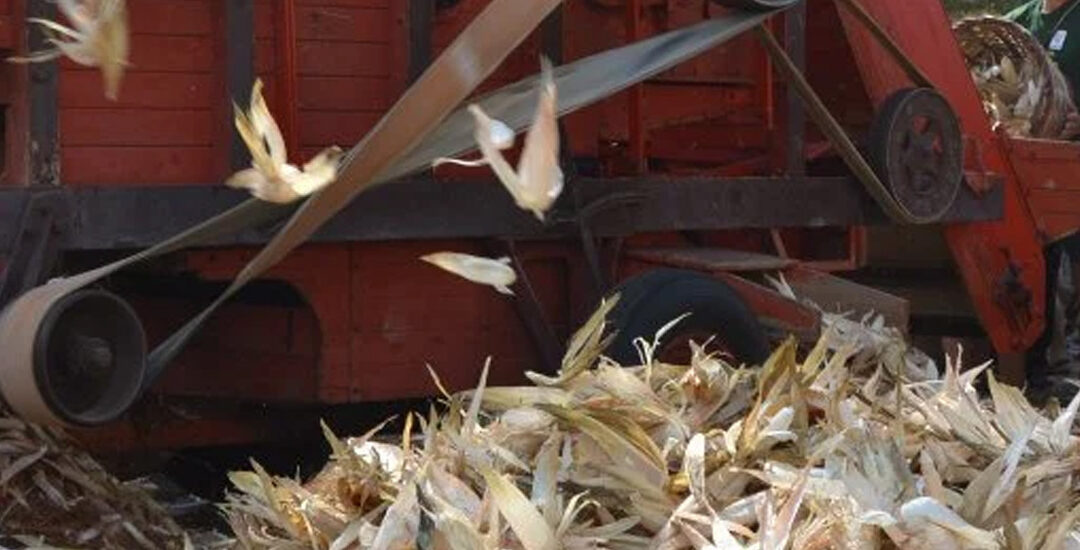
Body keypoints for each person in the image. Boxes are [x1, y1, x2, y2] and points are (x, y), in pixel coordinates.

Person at [1004, 0, 1080, 401]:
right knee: (1041, 262)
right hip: (1025, 164)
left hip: (1070, 166)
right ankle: (1041, 372)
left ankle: (1064, 368)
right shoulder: (1022, 20)